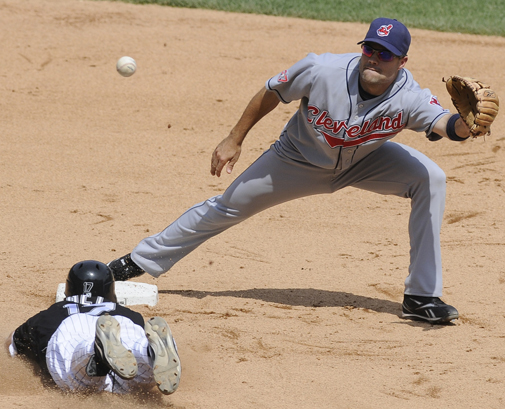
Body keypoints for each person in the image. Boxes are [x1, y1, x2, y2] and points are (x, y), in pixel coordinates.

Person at [108, 18, 474, 324]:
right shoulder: (322, 69)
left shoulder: (410, 94)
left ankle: (421, 297)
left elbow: (445, 124)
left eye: (385, 54)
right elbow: (272, 91)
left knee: (431, 178)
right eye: (369, 49)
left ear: (402, 60)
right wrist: (235, 137)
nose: (374, 59)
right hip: (296, 159)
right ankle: (138, 261)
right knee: (227, 206)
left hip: (365, 163)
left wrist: (466, 125)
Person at [6, 260, 181, 395]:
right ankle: (147, 353)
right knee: (137, 358)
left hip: (73, 327)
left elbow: (11, 346)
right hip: (120, 323)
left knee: (76, 363)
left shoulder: (49, 316)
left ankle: (96, 353)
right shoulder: (131, 315)